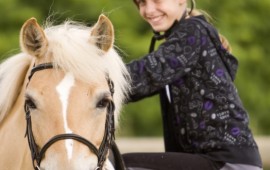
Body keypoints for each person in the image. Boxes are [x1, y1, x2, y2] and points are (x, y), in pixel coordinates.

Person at [122, 0, 263, 169]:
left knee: (122, 165)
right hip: (207, 160)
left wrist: (91, 75)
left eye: (157, 0)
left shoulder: (193, 32)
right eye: (142, 2)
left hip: (225, 162)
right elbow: (134, 87)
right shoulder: (181, 39)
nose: (149, 9)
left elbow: (145, 75)